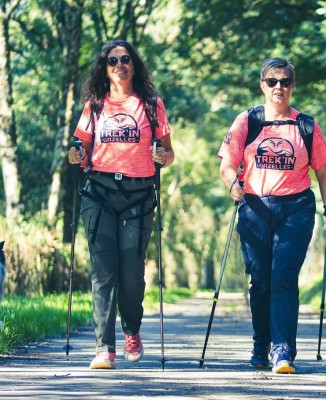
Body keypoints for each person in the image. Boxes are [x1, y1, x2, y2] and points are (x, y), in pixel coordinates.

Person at [218, 57, 326, 374]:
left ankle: (283, 350)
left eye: (285, 81)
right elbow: (227, 164)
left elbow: (324, 172)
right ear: (262, 85)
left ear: (293, 86)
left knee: (283, 276)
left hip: (296, 207)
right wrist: (232, 184)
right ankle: (261, 344)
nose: (278, 87)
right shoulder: (247, 121)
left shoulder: (306, 125)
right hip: (255, 206)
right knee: (260, 281)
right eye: (272, 81)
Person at [67, 39, 174, 370]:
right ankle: (104, 348)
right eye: (112, 61)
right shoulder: (95, 105)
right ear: (104, 68)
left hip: (138, 195)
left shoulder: (152, 105)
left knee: (131, 275)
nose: (119, 65)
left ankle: (131, 330)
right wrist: (75, 155)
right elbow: (80, 147)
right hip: (99, 193)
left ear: (134, 65)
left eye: (125, 59)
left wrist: (162, 156)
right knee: (103, 273)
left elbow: (168, 152)